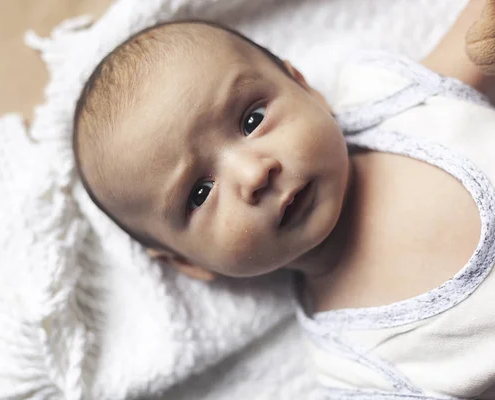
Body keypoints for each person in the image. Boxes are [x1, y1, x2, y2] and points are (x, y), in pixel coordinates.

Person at [73, 0, 495, 397]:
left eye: (252, 120)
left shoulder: (391, 100)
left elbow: (479, 33)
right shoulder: (359, 365)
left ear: (306, 89)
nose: (254, 173)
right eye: (200, 193)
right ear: (187, 262)